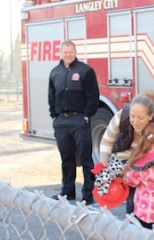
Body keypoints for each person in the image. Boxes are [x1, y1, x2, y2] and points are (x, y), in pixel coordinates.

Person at [98, 90, 154, 215]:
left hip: (150, 163)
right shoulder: (121, 116)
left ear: (151, 116)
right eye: (132, 116)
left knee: (150, 200)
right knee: (132, 200)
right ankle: (134, 224)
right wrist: (105, 169)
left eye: (141, 118)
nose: (135, 121)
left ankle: (147, 223)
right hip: (126, 161)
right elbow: (106, 143)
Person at [49, 40, 100, 205]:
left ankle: (88, 194)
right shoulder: (55, 72)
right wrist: (54, 116)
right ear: (61, 53)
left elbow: (93, 95)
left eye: (71, 52)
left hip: (79, 120)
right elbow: (51, 96)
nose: (68, 55)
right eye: (65, 52)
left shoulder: (85, 71)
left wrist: (86, 115)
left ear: (75, 52)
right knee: (67, 158)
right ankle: (67, 192)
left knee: (85, 158)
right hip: (61, 121)